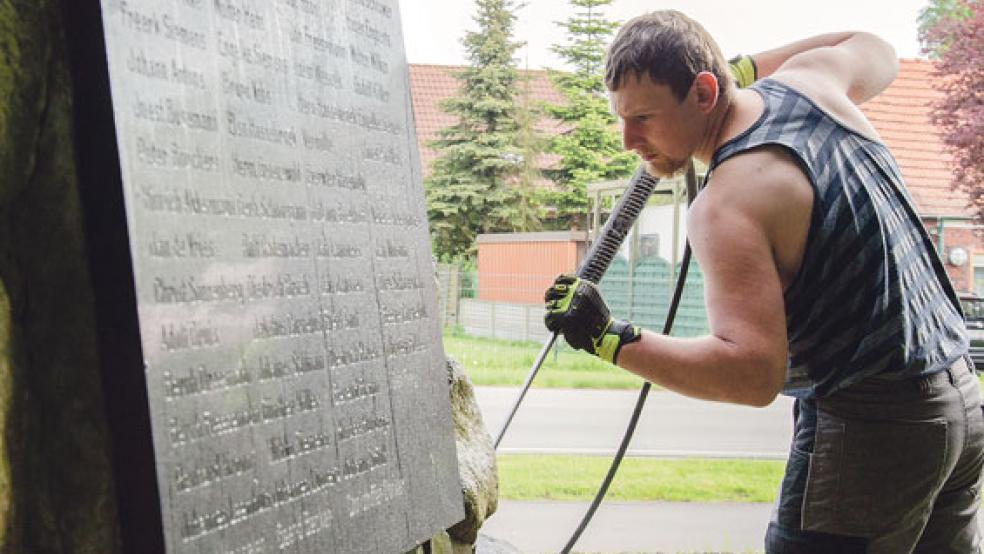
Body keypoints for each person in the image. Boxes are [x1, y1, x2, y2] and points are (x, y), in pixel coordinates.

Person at [543, 10, 982, 553]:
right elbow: (873, 46)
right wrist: (745, 70)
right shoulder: (812, 83)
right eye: (621, 118)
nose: (628, 138)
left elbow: (751, 374)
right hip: (959, 405)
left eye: (645, 118)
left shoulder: (727, 203)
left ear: (704, 92)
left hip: (873, 427)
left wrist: (608, 337)